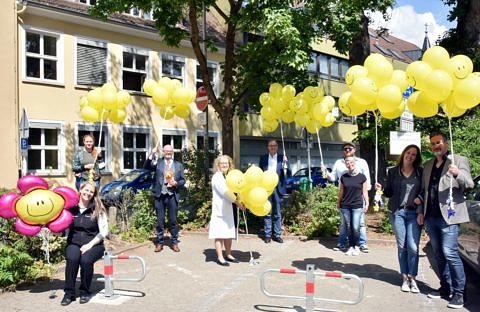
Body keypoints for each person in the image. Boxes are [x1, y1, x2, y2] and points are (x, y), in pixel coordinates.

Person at [418, 132, 474, 309]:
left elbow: (470, 184)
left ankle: (459, 293)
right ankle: (445, 288)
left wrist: (458, 174)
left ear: (446, 142)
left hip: (449, 216)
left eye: (439, 142)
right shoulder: (428, 165)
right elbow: (424, 191)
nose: (436, 146)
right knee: (439, 254)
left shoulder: (458, 160)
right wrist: (421, 211)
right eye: (433, 143)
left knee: (449, 252)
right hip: (431, 216)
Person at [376, 144, 423, 293]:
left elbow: (425, 191)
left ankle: (413, 278)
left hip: (414, 213)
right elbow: (389, 192)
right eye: (408, 153)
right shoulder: (393, 172)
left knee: (413, 247)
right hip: (397, 212)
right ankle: (405, 278)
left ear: (416, 157)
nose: (410, 156)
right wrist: (381, 189)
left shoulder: (420, 172)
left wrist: (420, 200)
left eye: (414, 154)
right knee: (402, 246)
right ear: (403, 154)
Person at [61, 181, 108, 306]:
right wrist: (56, 233)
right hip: (74, 243)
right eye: (86, 190)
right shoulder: (71, 209)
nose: (88, 193)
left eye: (91, 192)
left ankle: (84, 291)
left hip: (95, 244)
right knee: (72, 258)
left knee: (86, 260)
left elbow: (104, 232)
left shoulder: (98, 209)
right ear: (80, 190)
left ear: (94, 194)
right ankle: (69, 293)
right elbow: (65, 230)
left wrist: (90, 245)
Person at [326, 142, 371, 252]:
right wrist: (325, 172)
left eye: (350, 148)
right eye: (345, 149)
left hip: (358, 198)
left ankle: (362, 244)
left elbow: (367, 180)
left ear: (354, 149)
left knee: (359, 223)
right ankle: (342, 243)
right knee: (344, 223)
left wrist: (366, 199)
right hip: (345, 198)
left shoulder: (362, 162)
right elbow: (332, 178)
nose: (347, 150)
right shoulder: (338, 162)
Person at [144, 144, 186, 253]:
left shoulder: (178, 165)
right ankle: (159, 243)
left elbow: (183, 180)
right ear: (163, 152)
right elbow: (146, 167)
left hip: (172, 195)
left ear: (172, 152)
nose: (168, 152)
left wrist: (176, 183)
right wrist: (152, 153)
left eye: (170, 151)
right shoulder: (158, 163)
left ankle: (174, 243)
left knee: (173, 221)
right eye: (166, 151)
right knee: (160, 221)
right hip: (160, 195)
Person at [208, 155, 245, 266]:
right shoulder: (217, 177)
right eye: (222, 163)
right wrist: (238, 203)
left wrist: (241, 199)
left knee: (229, 233)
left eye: (226, 163)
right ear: (218, 165)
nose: (224, 165)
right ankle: (220, 257)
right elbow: (225, 193)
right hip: (221, 210)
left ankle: (228, 254)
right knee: (219, 234)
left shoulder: (229, 176)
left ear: (229, 165)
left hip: (230, 208)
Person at [259, 139, 291, 243]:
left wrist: (286, 163)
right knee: (267, 212)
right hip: (266, 188)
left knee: (277, 213)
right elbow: (260, 172)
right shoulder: (263, 158)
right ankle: (267, 235)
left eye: (274, 145)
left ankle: (277, 235)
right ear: (268, 147)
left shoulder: (282, 158)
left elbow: (288, 173)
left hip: (278, 188)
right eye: (270, 145)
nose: (272, 147)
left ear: (277, 147)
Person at [337, 156, 369, 256]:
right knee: (348, 226)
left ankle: (357, 246)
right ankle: (351, 247)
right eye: (347, 163)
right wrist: (338, 202)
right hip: (345, 205)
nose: (349, 164)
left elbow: (364, 192)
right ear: (345, 164)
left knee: (355, 227)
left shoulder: (362, 177)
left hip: (357, 205)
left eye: (351, 162)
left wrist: (367, 203)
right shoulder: (344, 177)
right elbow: (341, 191)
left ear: (355, 163)